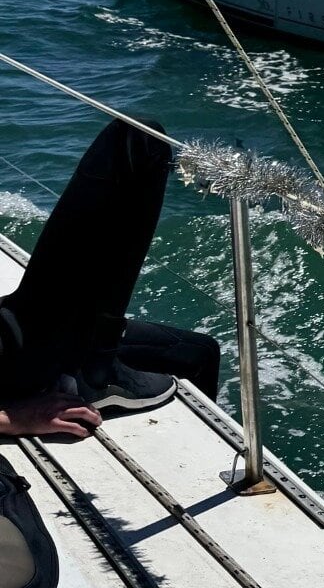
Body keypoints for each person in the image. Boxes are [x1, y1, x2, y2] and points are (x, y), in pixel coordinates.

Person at [0, 118, 222, 439]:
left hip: (18, 332)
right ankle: (95, 368)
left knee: (199, 352)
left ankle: (97, 358)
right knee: (137, 139)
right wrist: (14, 418)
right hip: (19, 353)